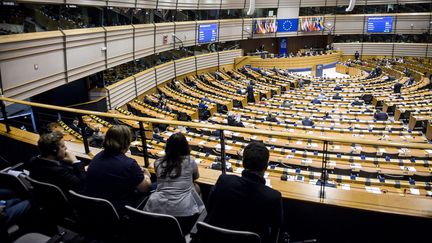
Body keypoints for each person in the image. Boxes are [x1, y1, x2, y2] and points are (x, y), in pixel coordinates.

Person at [204, 142, 283, 243]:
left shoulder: (223, 180)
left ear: (243, 162)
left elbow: (209, 207)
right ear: (266, 166)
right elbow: (276, 231)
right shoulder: (273, 197)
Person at [144, 133, 204, 234]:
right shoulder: (190, 161)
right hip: (185, 214)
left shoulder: (157, 162)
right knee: (196, 186)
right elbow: (196, 177)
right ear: (185, 146)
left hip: (157, 212)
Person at [85, 125, 151, 215]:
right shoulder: (129, 164)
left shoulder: (97, 157)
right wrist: (146, 176)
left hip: (93, 210)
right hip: (116, 214)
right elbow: (145, 188)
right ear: (127, 142)